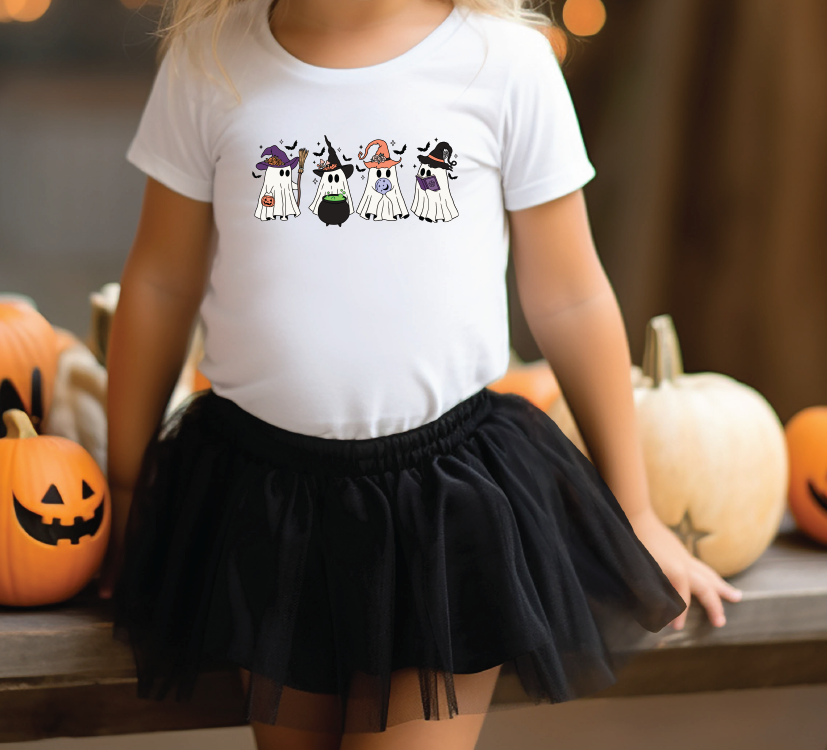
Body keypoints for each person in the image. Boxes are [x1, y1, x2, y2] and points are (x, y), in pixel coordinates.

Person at [99, 1, 743, 748]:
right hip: (266, 504)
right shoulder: (209, 58)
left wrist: (635, 512)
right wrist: (125, 485)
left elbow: (569, 296)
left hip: (443, 506)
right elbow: (160, 283)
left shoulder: (505, 61)